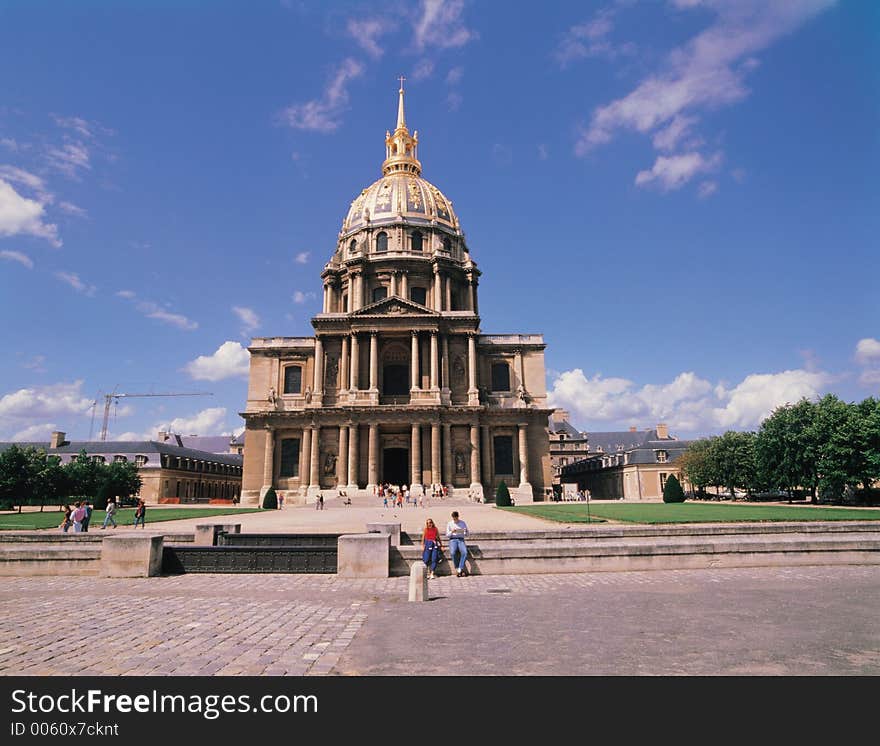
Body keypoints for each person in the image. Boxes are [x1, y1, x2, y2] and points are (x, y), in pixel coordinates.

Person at [445, 510, 469, 577]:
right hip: (453, 539)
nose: (455, 520)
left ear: (458, 517)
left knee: (465, 552)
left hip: (461, 539)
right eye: (454, 518)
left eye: (456, 518)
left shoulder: (463, 523)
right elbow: (447, 535)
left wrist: (465, 531)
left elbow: (467, 534)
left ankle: (459, 569)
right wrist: (452, 532)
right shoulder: (450, 523)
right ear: (452, 517)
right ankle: (457, 568)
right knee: (453, 552)